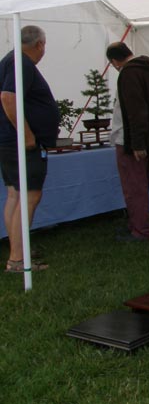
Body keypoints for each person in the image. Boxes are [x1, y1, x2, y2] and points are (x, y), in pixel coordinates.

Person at [0, 25, 59, 272]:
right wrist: (26, 135)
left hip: (8, 141)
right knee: (29, 196)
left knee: (16, 195)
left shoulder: (11, 60)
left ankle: (18, 249)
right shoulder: (21, 63)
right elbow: (8, 97)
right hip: (20, 144)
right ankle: (17, 259)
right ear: (39, 45)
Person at [106, 42, 149, 242]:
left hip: (131, 139)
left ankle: (141, 230)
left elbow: (136, 109)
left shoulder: (129, 73)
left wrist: (137, 143)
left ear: (114, 61)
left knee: (134, 186)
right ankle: (137, 223)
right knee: (141, 184)